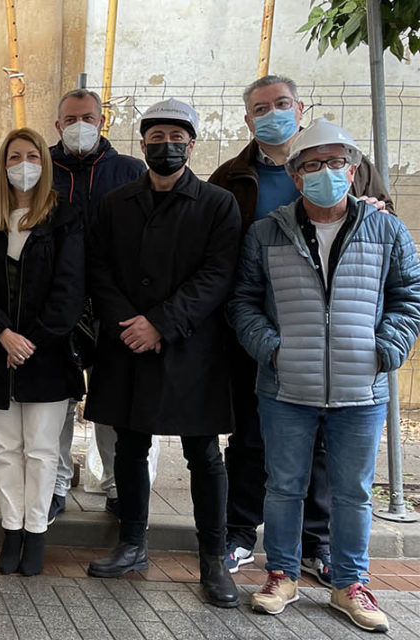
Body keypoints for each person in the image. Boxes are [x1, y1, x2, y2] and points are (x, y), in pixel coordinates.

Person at [230, 118, 420, 633]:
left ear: (354, 170)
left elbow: (408, 298)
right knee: (284, 486)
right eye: (312, 165)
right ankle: (281, 575)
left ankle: (351, 584)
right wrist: (270, 350)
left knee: (354, 491)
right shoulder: (267, 232)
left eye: (336, 163)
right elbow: (244, 302)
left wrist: (387, 350)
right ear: (296, 177)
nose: (325, 173)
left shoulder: (386, 229)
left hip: (363, 389)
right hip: (286, 386)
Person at [208, 75, 393, 582]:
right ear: (248, 120)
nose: (273, 114)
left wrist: (383, 346)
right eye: (261, 108)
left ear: (300, 106)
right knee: (250, 437)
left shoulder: (348, 161)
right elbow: (224, 263)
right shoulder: (231, 176)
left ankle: (317, 543)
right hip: (263, 336)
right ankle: (241, 532)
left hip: (337, 341)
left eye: (282, 104)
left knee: (322, 450)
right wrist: (260, 340)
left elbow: (383, 235)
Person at [84, 99, 241, 609]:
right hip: (127, 343)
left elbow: (217, 276)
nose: (165, 145)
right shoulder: (115, 203)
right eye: (156, 137)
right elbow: (99, 270)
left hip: (190, 348)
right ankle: (132, 543)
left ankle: (213, 560)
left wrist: (161, 324)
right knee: (129, 446)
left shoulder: (218, 204)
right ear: (143, 142)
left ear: (192, 144)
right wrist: (130, 325)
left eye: (176, 136)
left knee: (203, 454)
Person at [0, 128, 84, 576]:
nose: (23, 164)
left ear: (45, 162)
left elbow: (69, 293)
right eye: (14, 156)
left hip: (47, 356)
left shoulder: (65, 218)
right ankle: (10, 528)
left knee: (40, 450)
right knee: (5, 451)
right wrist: (3, 335)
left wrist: (29, 340)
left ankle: (36, 532)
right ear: (3, 166)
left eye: (31, 155)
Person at [48, 89, 145, 520]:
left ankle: (117, 485)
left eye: (87, 117)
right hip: (55, 301)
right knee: (57, 396)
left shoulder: (130, 171)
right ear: (57, 125)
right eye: (70, 119)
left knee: (112, 399)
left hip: (115, 303)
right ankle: (54, 484)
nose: (79, 125)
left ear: (102, 121)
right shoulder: (41, 168)